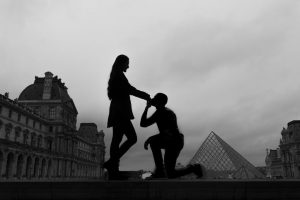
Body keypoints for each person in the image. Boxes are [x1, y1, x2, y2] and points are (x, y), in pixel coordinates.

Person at [105, 54, 151, 180]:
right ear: (122, 63)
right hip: (120, 112)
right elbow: (131, 90)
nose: (128, 66)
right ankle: (112, 164)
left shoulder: (116, 75)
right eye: (127, 63)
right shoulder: (119, 76)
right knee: (132, 138)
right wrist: (146, 96)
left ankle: (113, 170)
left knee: (117, 140)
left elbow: (128, 89)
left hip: (117, 111)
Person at [140, 93, 203, 179]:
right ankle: (194, 169)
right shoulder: (162, 111)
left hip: (174, 142)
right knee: (171, 174)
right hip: (174, 141)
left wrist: (147, 108)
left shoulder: (163, 112)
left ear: (159, 101)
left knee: (154, 142)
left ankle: (159, 171)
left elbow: (144, 124)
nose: (153, 99)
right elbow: (144, 124)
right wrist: (147, 107)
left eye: (155, 98)